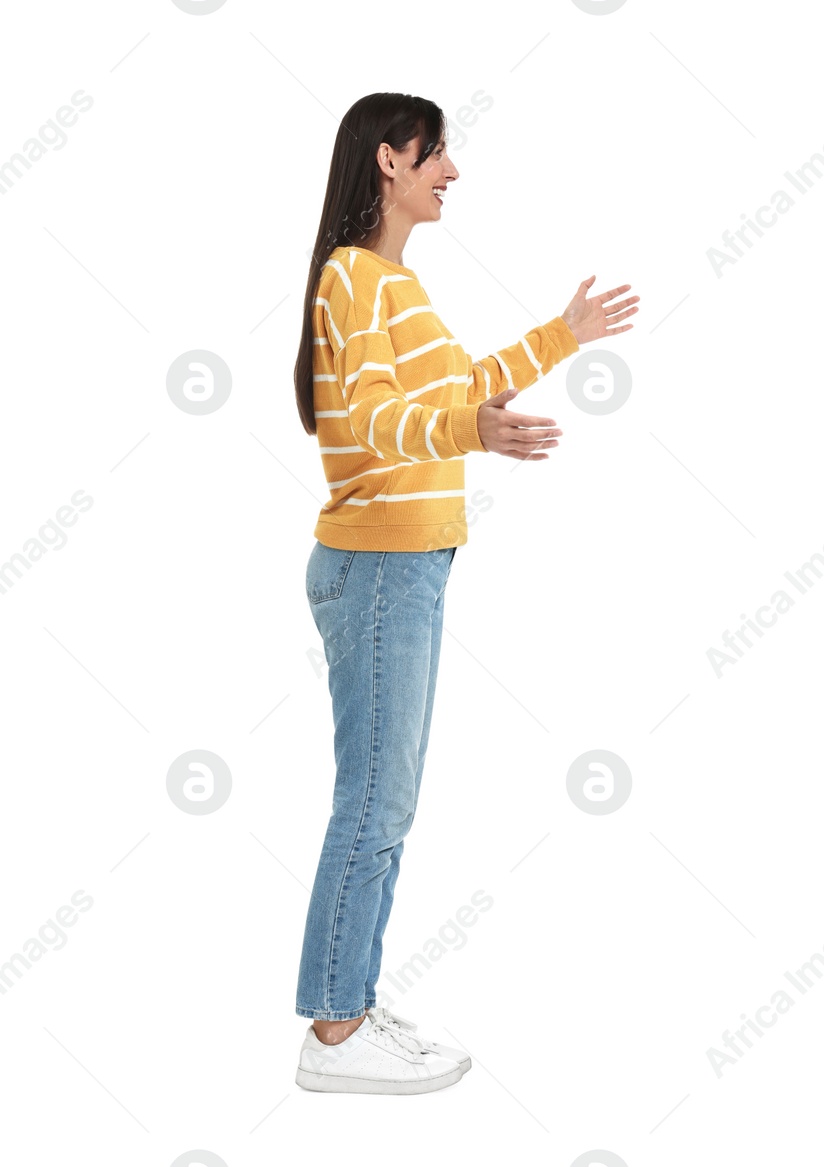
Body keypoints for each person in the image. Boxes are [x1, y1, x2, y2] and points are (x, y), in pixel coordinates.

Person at [289, 92, 639, 1094]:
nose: (452, 171)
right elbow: (368, 420)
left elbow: (444, 398)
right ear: (390, 162)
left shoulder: (388, 285)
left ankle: (345, 1007)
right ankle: (336, 1032)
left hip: (407, 561)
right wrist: (471, 433)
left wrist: (560, 336)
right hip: (384, 563)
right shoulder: (356, 280)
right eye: (438, 153)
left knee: (383, 802)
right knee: (374, 803)